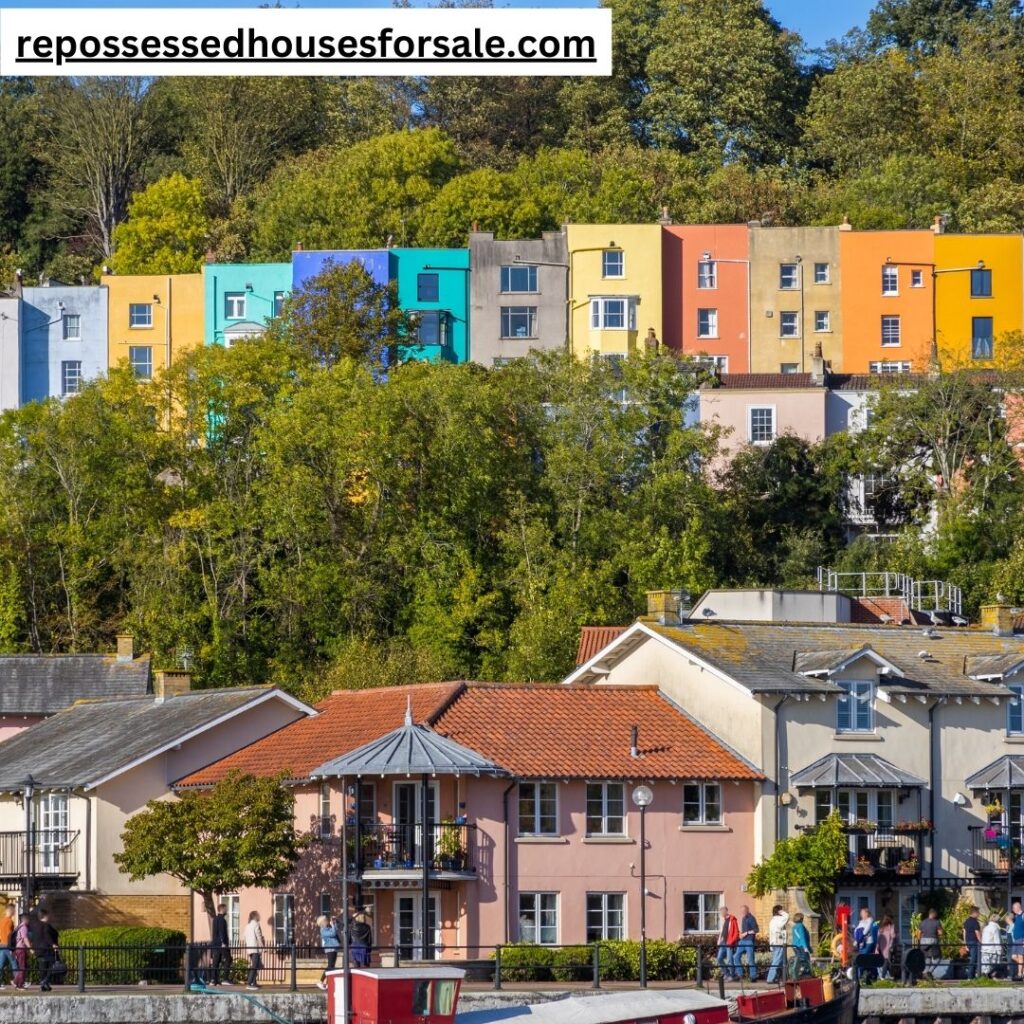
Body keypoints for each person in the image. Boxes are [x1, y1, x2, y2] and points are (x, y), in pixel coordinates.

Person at [33, 909, 59, 992]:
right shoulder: (46, 925)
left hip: (39, 950)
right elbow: (47, 936)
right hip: (46, 950)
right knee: (51, 967)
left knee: (43, 968)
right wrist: (53, 944)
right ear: (45, 916)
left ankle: (45, 984)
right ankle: (44, 982)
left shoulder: (35, 925)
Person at [766, 905, 789, 984]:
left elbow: (770, 934)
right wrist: (782, 912)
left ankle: (783, 977)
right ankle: (770, 978)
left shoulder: (772, 921)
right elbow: (787, 916)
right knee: (776, 961)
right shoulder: (779, 919)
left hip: (774, 942)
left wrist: (770, 945)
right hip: (779, 942)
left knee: (782, 961)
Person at [209, 903, 231, 987]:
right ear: (222, 909)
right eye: (226, 909)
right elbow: (221, 931)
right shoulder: (222, 920)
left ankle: (214, 980)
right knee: (228, 959)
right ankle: (225, 978)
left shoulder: (215, 919)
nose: (227, 910)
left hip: (215, 943)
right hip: (221, 944)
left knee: (216, 962)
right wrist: (223, 943)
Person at [854, 907, 878, 982]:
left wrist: (860, 935)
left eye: (863, 913)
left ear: (867, 913)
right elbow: (856, 930)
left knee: (863, 958)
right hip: (861, 943)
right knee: (866, 959)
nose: (861, 914)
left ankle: (861, 976)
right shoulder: (861, 921)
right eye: (861, 913)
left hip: (868, 942)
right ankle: (872, 974)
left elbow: (865, 931)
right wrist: (856, 940)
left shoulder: (870, 920)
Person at [316, 914, 340, 990]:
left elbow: (335, 931)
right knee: (330, 966)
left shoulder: (328, 928)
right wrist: (333, 925)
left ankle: (327, 983)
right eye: (326, 920)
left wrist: (334, 923)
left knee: (331, 966)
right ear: (323, 922)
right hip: (330, 949)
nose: (327, 921)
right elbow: (333, 933)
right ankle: (321, 981)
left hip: (333, 948)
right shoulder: (323, 930)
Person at [917, 908, 943, 977]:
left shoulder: (923, 922)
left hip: (923, 942)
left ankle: (925, 973)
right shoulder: (936, 922)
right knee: (938, 958)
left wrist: (920, 941)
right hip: (933, 941)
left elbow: (918, 933)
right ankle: (929, 971)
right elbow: (940, 933)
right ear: (934, 914)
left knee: (927, 958)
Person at [716, 905, 739, 980]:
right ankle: (727, 974)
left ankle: (733, 975)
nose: (721, 914)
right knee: (719, 958)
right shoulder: (724, 920)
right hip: (723, 942)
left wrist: (731, 941)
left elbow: (736, 932)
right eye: (721, 912)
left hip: (729, 942)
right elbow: (722, 931)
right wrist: (719, 940)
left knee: (730, 960)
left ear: (726, 911)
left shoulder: (732, 919)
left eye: (722, 912)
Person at [737, 905, 759, 982]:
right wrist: (741, 934)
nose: (742, 913)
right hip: (742, 940)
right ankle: (740, 975)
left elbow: (756, 930)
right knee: (736, 957)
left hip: (749, 940)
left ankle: (753, 976)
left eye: (743, 911)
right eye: (741, 911)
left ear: (747, 910)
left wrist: (746, 933)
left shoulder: (751, 918)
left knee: (750, 959)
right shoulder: (743, 918)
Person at [243, 910, 264, 991]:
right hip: (255, 947)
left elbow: (244, 936)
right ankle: (249, 983)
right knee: (254, 966)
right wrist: (262, 946)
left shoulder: (247, 926)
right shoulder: (256, 924)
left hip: (250, 948)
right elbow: (258, 936)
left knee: (254, 965)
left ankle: (254, 983)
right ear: (255, 916)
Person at [982, 914, 1004, 978]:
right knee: (993, 965)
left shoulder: (986, 928)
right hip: (992, 950)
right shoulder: (995, 928)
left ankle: (984, 977)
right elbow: (997, 940)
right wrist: (999, 951)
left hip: (984, 949)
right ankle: (991, 977)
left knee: (985, 966)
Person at [790, 912, 812, 979]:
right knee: (805, 961)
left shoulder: (794, 927)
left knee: (798, 961)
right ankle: (804, 975)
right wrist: (806, 947)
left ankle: (797, 974)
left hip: (795, 946)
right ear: (801, 918)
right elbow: (802, 937)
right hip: (801, 946)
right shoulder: (801, 926)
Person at [963, 905, 982, 980]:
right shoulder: (975, 922)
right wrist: (981, 941)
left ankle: (972, 976)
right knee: (974, 959)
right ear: (975, 913)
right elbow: (977, 932)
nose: (979, 914)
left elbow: (964, 932)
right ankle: (970, 976)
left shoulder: (966, 921)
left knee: (973, 958)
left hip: (968, 941)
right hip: (974, 941)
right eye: (978, 912)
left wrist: (965, 943)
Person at [0, 903, 17, 987]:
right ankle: (18, 981)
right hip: (8, 945)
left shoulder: (1, 921)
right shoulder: (10, 921)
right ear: (11, 911)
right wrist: (11, 948)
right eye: (14, 910)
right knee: (14, 962)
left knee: (1, 964)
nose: (14, 912)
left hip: (2, 944)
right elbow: (9, 935)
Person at [12, 912, 30, 990]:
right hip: (21, 949)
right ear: (25, 919)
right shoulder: (24, 928)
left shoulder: (18, 927)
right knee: (22, 967)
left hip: (17, 948)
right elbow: (25, 938)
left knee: (23, 966)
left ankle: (16, 981)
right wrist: (30, 948)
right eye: (28, 919)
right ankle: (20, 985)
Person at [876, 916, 896, 980]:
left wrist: (877, 948)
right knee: (887, 960)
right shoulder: (891, 926)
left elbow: (878, 938)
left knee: (887, 960)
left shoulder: (881, 928)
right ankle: (883, 976)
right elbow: (893, 936)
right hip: (888, 946)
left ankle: (890, 975)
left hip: (882, 946)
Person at [1010, 900, 1024, 981]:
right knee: (1014, 956)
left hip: (1021, 939)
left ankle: (1019, 974)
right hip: (1016, 939)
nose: (1013, 909)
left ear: (1018, 907)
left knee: (1020, 956)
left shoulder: (1023, 915)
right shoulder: (1016, 917)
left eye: (1014, 908)